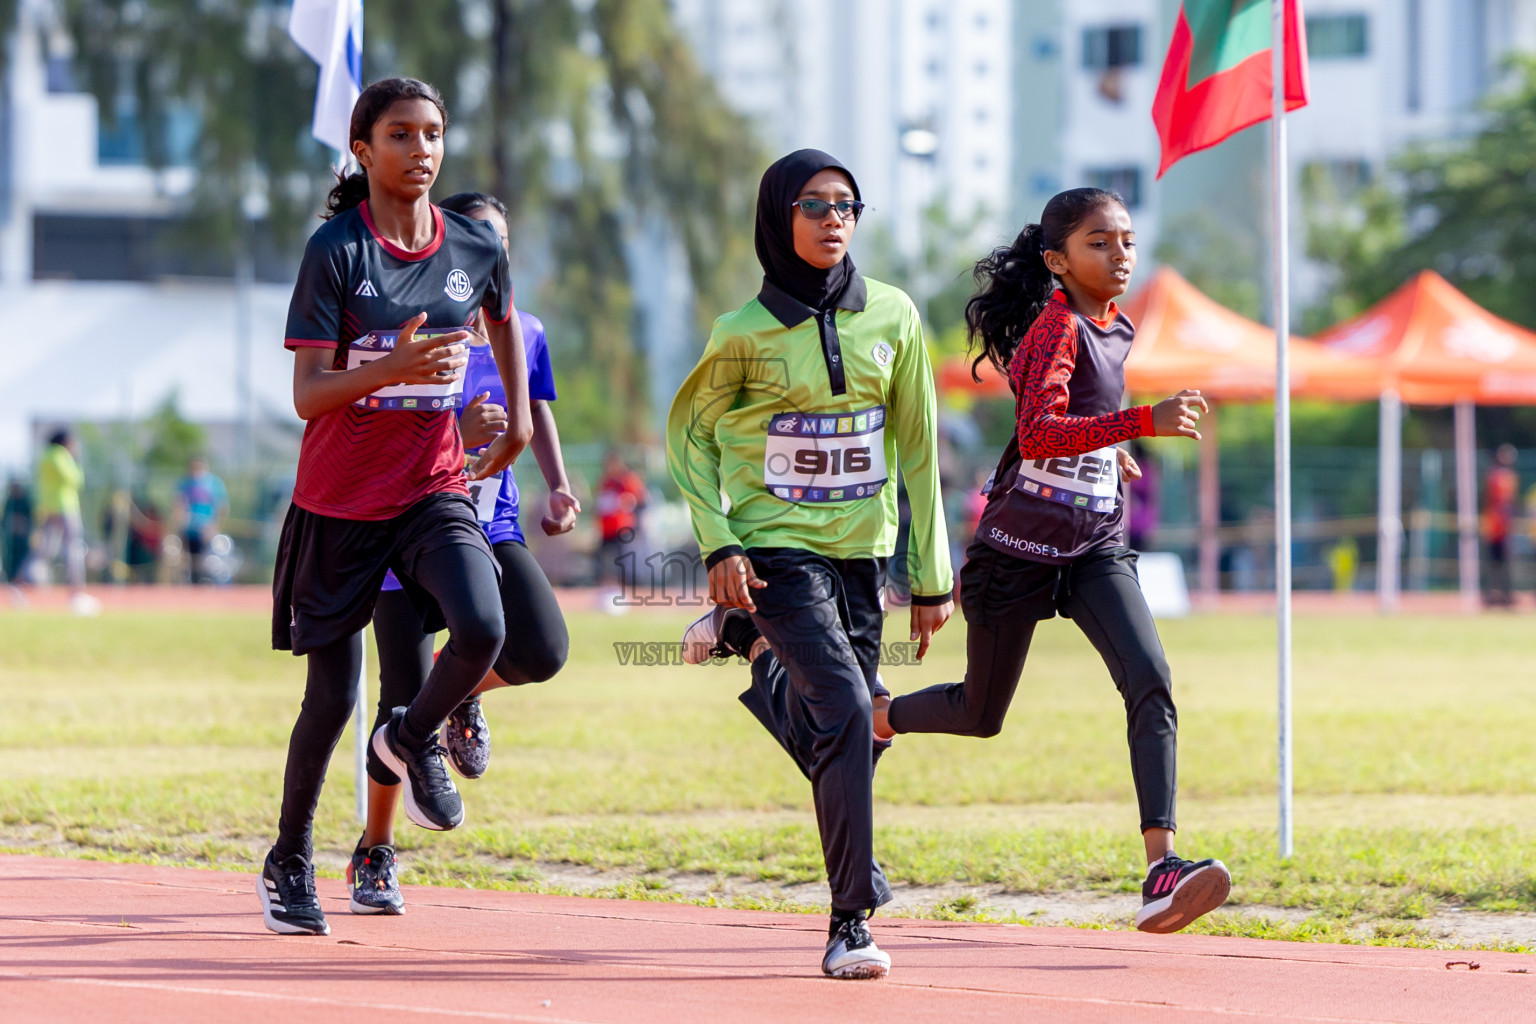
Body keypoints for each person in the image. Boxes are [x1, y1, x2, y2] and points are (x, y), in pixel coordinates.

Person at [870, 187, 1231, 935]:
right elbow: (1038, 434)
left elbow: (1080, 421)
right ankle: (877, 718)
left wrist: (1115, 449)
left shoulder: (1117, 326)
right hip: (1017, 552)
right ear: (1057, 261)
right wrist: (1141, 423)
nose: (1120, 254)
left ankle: (1162, 869)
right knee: (980, 714)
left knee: (1151, 680)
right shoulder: (1054, 328)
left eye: (1127, 240)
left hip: (1095, 543)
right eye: (1100, 242)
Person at [668, 150, 953, 979]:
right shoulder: (741, 335)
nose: (835, 218)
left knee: (849, 725)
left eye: (847, 205)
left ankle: (750, 652)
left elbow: (921, 449)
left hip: (863, 554)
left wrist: (931, 575)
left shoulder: (895, 316)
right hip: (773, 552)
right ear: (777, 219)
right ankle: (850, 921)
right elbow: (688, 439)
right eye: (814, 204)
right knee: (844, 705)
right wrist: (719, 540)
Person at [258, 77, 533, 937]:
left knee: (486, 629)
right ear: (363, 149)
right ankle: (290, 858)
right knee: (332, 697)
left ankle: (407, 741)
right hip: (339, 503)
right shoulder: (336, 252)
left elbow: (504, 322)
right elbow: (308, 395)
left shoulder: (474, 247)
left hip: (431, 488)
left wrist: (520, 421)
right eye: (402, 135)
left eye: (434, 134)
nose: (422, 150)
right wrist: (392, 370)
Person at [350, 190, 580, 915]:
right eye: (477, 236)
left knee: (542, 649)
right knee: (396, 699)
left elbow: (533, 405)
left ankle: (454, 704)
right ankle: (375, 853)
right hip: (404, 532)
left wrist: (561, 484)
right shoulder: (415, 330)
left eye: (502, 240)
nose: (492, 250)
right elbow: (372, 420)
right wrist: (458, 423)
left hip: (491, 524)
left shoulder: (525, 330)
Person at [25, 429, 97, 614]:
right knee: (73, 547)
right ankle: (76, 593)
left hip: (48, 507)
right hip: (65, 506)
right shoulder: (61, 455)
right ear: (66, 442)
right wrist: (75, 461)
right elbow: (75, 479)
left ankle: (20, 586)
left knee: (45, 549)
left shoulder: (45, 457)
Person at [593, 451, 648, 605]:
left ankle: (623, 594)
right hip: (606, 528)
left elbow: (639, 501)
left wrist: (624, 503)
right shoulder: (606, 482)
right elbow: (599, 502)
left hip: (622, 528)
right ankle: (605, 591)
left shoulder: (628, 480)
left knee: (622, 562)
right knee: (602, 560)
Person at [176, 458, 229, 584]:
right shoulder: (185, 484)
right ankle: (192, 584)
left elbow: (222, 506)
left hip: (206, 529)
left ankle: (205, 583)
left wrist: (216, 526)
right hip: (189, 529)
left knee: (206, 559)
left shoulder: (213, 484)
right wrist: (180, 520)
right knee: (188, 559)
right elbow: (179, 504)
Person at [1483, 444, 1519, 607]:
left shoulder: (1508, 477)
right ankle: (1493, 594)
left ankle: (1505, 594)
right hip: (1495, 527)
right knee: (1494, 562)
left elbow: (1509, 502)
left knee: (1504, 562)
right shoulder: (1496, 476)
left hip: (1504, 527)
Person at [3, 479, 32, 584]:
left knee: (23, 562)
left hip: (23, 541)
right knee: (10, 564)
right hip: (11, 542)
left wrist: (19, 523)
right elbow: (5, 520)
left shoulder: (25, 501)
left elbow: (29, 520)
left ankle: (21, 580)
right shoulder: (10, 501)